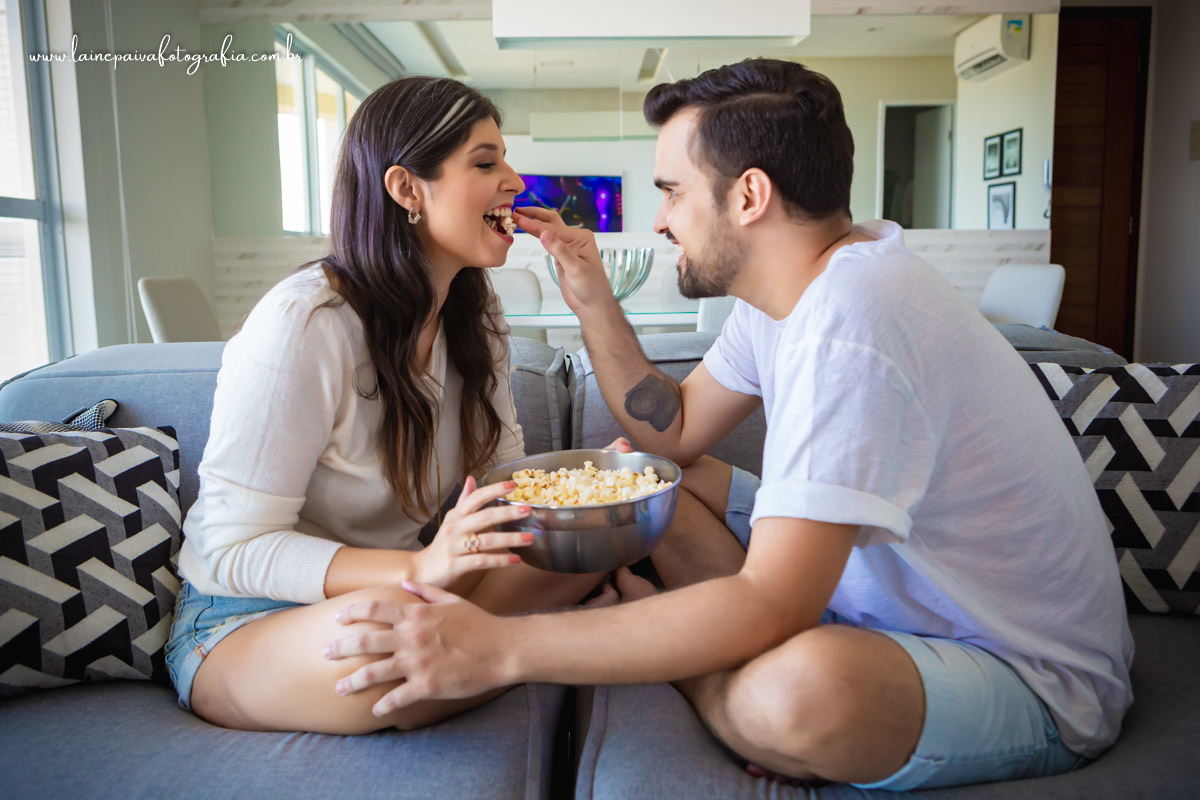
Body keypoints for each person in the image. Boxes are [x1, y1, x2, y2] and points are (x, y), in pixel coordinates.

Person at [323, 59, 1134, 791]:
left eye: (673, 191)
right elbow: (671, 428)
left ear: (749, 196)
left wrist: (496, 647)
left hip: (1026, 672)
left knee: (798, 693)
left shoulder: (853, 320)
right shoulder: (795, 291)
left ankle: (705, 681)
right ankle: (710, 659)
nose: (663, 219)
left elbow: (773, 602)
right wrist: (592, 295)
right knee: (642, 475)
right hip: (880, 602)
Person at [165, 75, 612, 735]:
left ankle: (508, 638)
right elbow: (234, 546)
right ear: (406, 189)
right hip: (258, 616)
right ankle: (572, 637)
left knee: (596, 543)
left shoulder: (473, 306)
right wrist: (418, 568)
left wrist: (582, 489)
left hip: (418, 589)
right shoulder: (305, 323)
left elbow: (501, 475)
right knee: (397, 659)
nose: (516, 181)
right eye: (486, 162)